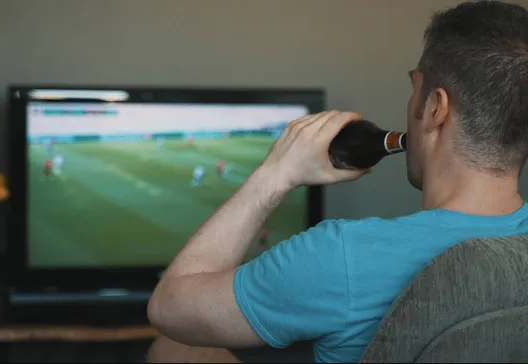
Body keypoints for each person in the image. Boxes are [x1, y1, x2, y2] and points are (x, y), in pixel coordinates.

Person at [146, 1, 528, 363]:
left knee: (172, 349)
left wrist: (276, 173)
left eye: (415, 88)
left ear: (435, 109)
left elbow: (169, 307)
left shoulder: (341, 257)